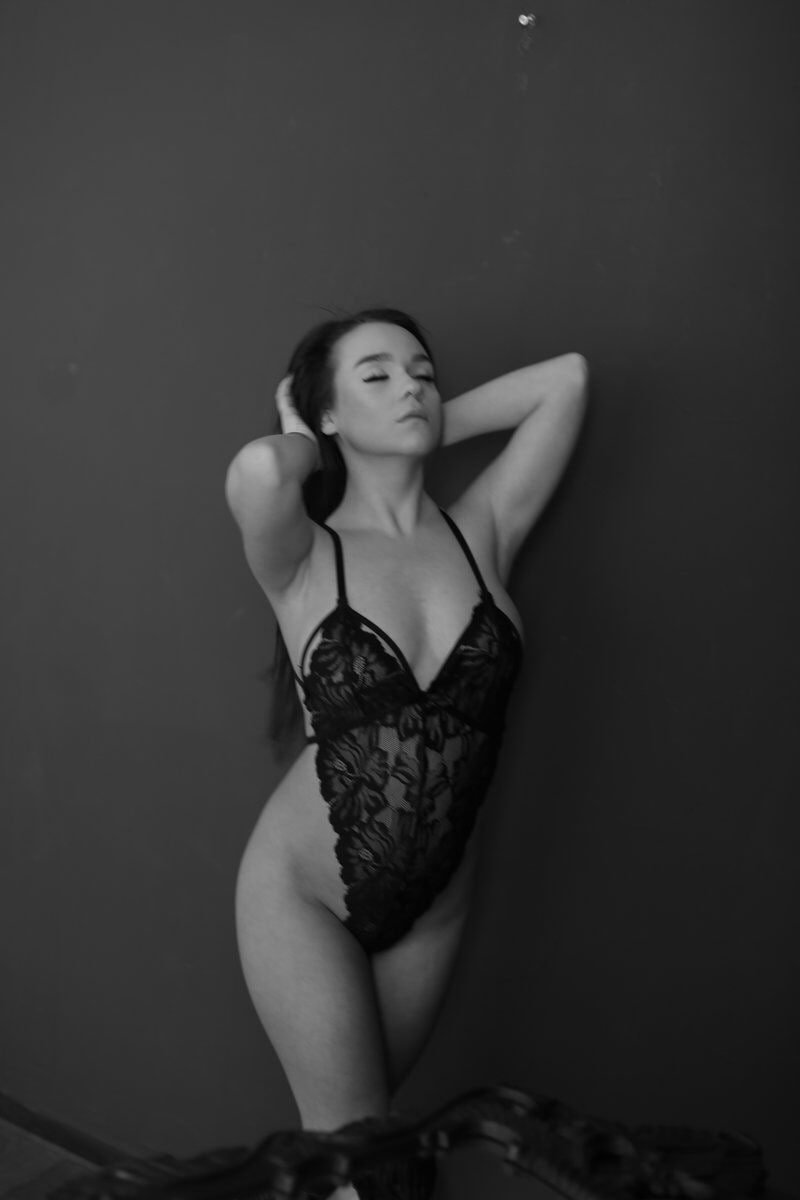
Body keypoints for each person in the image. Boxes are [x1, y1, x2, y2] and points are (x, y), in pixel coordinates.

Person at [224, 308, 588, 1199]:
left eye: (423, 373)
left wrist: (413, 427)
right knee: (359, 1163)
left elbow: (567, 380)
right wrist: (318, 441)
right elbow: (262, 469)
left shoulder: (482, 528)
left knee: (365, 1148)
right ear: (328, 412)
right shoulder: (306, 555)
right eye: (378, 375)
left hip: (433, 909)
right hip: (303, 896)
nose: (412, 387)